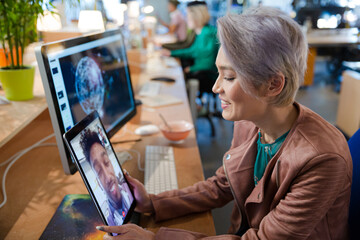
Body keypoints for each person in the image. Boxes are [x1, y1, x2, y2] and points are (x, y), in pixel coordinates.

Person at [96, 6, 352, 239]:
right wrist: (153, 202)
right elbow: (222, 185)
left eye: (229, 77)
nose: (217, 86)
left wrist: (155, 239)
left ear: (274, 84)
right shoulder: (250, 120)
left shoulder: (321, 158)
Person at [80, 129, 132, 226]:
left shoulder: (132, 191)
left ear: (112, 164)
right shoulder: (109, 223)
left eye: (106, 162)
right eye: (99, 171)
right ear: (98, 184)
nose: (108, 178)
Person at [162, 1, 218, 78]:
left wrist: (191, 69)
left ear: (196, 16)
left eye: (187, 15)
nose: (186, 18)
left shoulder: (206, 34)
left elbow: (208, 63)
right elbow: (193, 51)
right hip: (201, 70)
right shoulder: (200, 32)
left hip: (208, 76)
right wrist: (171, 53)